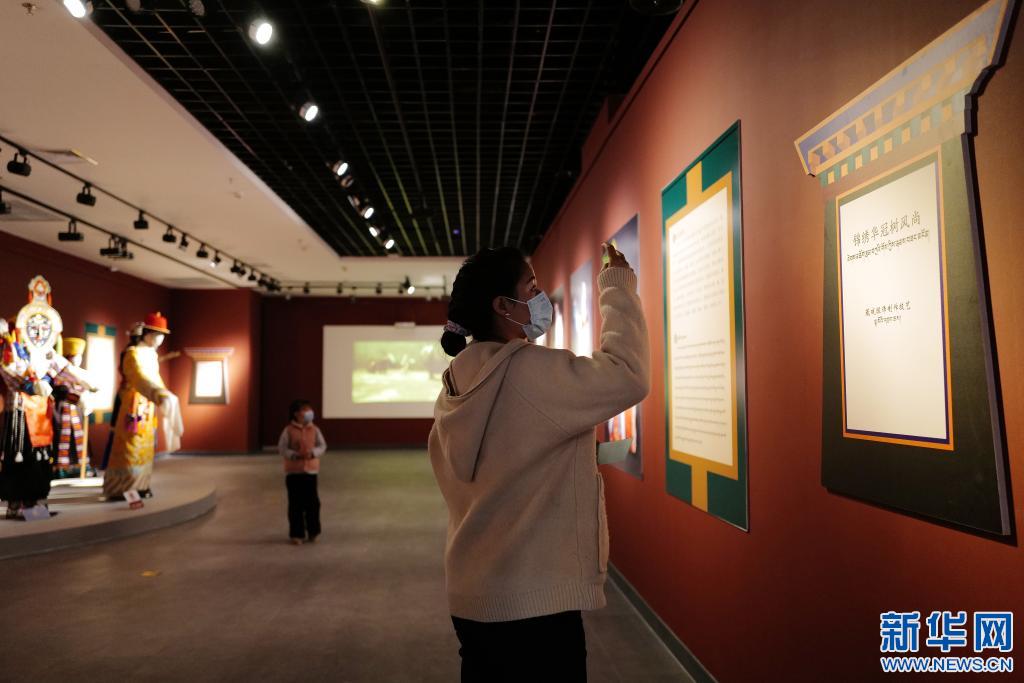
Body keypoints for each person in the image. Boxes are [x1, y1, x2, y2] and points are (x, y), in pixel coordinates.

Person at [429, 242, 650, 682]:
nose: (540, 296)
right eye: (530, 288)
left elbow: (506, 459)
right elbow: (627, 374)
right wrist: (618, 286)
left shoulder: (454, 385)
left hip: (473, 597)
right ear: (502, 306)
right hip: (533, 605)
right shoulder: (528, 371)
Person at [102, 312, 180, 500]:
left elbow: (155, 379)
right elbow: (139, 378)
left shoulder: (151, 354)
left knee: (146, 447)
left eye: (162, 336)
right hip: (133, 405)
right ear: (148, 334)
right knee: (130, 446)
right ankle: (122, 486)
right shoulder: (133, 354)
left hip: (147, 405)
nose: (160, 340)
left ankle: (141, 484)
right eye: (158, 335)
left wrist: (163, 393)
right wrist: (158, 393)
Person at [277, 399, 326, 545]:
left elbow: (322, 446)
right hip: (294, 473)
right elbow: (282, 448)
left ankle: (313, 531)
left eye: (309, 409)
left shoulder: (315, 429)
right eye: (305, 410)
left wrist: (313, 453)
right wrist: (295, 455)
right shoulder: (288, 430)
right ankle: (297, 534)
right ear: (296, 413)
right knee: (295, 504)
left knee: (313, 503)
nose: (309, 412)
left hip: (311, 472)